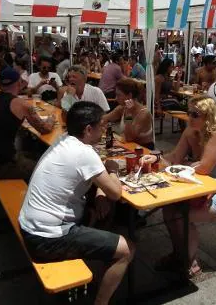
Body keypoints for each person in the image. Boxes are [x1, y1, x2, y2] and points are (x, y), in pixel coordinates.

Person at [19, 101, 135, 305]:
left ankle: (100, 255)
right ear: (89, 129)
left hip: (31, 225)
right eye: (101, 125)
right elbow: (116, 193)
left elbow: (94, 181)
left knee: (99, 206)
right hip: (46, 238)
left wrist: (100, 194)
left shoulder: (64, 140)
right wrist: (114, 170)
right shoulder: (84, 153)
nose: (104, 129)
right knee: (128, 249)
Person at [140, 95, 216, 277]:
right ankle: (178, 254)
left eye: (195, 114)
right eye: (188, 112)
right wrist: (156, 158)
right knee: (168, 211)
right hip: (203, 188)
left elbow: (204, 168)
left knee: (182, 217)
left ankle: (190, 261)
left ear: (208, 116)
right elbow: (175, 158)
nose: (189, 117)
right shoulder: (191, 131)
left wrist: (183, 166)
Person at [0, 67, 55, 181]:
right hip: (2, 166)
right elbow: (45, 129)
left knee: (34, 154)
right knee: (48, 170)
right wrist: (52, 118)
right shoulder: (21, 104)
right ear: (19, 82)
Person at [102, 78, 154, 149]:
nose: (116, 98)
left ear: (129, 95)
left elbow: (129, 137)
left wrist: (129, 113)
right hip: (128, 148)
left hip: (143, 151)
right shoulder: (122, 108)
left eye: (119, 95)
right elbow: (104, 119)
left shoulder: (144, 114)